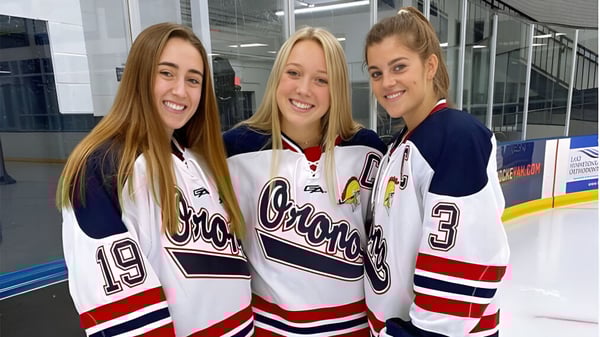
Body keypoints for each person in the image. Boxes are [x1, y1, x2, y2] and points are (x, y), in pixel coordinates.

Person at [56, 23, 254, 337]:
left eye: (193, 80)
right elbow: (120, 306)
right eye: (166, 73)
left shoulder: (199, 158)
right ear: (139, 76)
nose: (180, 90)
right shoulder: (103, 167)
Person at [223, 26, 387, 336]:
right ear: (277, 78)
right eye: (294, 73)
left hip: (352, 329)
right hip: (269, 329)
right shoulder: (234, 149)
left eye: (321, 80)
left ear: (337, 87)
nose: (304, 89)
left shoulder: (367, 150)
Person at [362, 7, 510, 337]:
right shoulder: (400, 144)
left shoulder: (457, 137)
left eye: (399, 67)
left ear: (430, 66)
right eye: (376, 73)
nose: (387, 82)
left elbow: (467, 265)